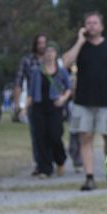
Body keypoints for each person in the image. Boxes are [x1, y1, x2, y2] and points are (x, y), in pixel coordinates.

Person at [62, 12, 107, 191]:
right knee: (85, 139)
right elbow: (64, 64)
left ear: (101, 26)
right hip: (83, 102)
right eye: (88, 23)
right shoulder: (81, 47)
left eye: (95, 23)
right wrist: (79, 41)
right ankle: (89, 177)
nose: (91, 26)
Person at [28, 43, 72, 177]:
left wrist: (63, 99)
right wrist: (24, 108)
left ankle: (60, 160)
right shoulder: (36, 71)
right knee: (41, 138)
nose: (49, 54)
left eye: (52, 51)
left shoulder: (61, 71)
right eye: (47, 51)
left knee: (55, 136)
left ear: (56, 54)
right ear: (43, 54)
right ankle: (45, 169)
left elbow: (69, 88)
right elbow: (31, 92)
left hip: (55, 107)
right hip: (39, 107)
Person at [14, 34, 48, 166]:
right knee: (36, 135)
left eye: (44, 43)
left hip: (50, 103)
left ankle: (49, 161)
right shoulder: (27, 60)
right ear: (35, 44)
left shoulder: (51, 59)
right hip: (33, 101)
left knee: (51, 134)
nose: (42, 46)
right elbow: (18, 81)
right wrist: (16, 104)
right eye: (39, 43)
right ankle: (40, 164)